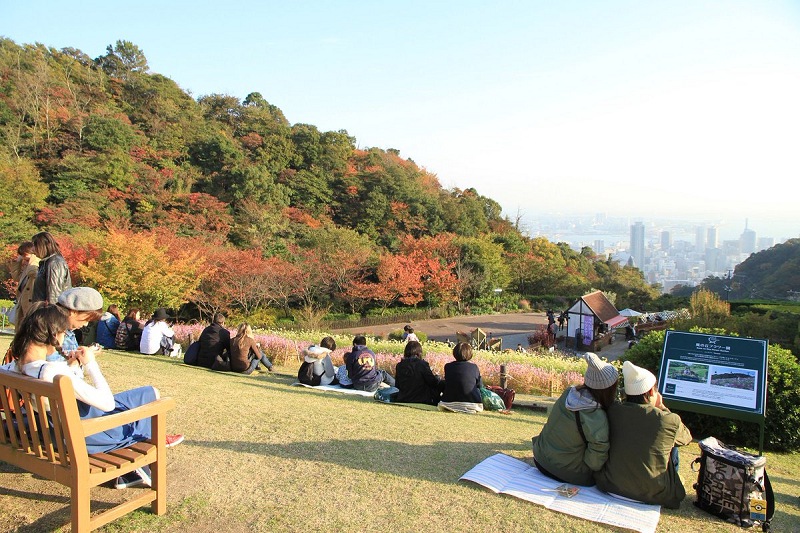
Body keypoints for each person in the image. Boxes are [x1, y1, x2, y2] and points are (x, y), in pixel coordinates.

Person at [3, 303, 184, 489]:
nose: (65, 336)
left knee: (149, 392)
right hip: (86, 436)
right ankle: (136, 466)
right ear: (53, 334)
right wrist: (91, 364)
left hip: (57, 431)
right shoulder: (51, 371)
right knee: (153, 401)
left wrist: (73, 366)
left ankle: (133, 471)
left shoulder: (12, 368)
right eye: (64, 332)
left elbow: (60, 386)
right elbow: (107, 403)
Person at [594, 361, 693, 508]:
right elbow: (686, 438)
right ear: (652, 392)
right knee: (673, 443)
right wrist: (663, 408)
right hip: (653, 492)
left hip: (611, 485)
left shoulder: (613, 410)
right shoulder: (668, 419)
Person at [531, 352, 619, 486]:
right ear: (609, 389)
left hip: (540, 458)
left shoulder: (569, 393)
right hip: (565, 472)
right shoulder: (595, 415)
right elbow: (595, 461)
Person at [55, 287, 104, 361]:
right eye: (86, 319)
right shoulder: (51, 332)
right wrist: (82, 358)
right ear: (74, 312)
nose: (86, 324)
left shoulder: (69, 332)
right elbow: (56, 367)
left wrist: (82, 352)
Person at [438, 343, 484, 413]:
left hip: (448, 403)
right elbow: (480, 385)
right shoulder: (474, 367)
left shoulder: (448, 366)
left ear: (455, 353)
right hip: (472, 404)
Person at [394, 340, 442, 405]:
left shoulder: (399, 365)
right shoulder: (422, 364)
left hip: (403, 398)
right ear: (419, 352)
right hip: (421, 399)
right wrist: (437, 377)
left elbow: (397, 385)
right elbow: (432, 382)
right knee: (439, 382)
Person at [31, 231, 72, 304]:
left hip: (50, 312)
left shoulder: (54, 263)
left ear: (42, 246)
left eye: (34, 245)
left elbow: (54, 295)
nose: (32, 249)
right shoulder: (47, 263)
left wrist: (50, 313)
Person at [7, 241, 40, 323]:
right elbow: (16, 277)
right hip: (22, 305)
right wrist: (17, 263)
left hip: (32, 306)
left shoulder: (36, 265)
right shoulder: (27, 268)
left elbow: (33, 273)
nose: (24, 258)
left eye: (25, 256)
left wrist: (33, 259)